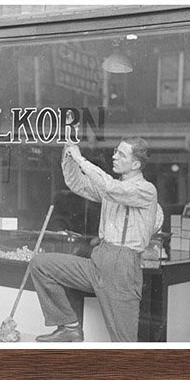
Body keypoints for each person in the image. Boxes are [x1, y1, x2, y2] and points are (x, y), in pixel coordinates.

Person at [30, 137, 162, 343]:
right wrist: (69, 155)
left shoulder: (145, 190)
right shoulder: (113, 186)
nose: (114, 156)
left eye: (121, 154)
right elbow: (77, 184)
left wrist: (81, 160)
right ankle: (70, 326)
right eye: (116, 151)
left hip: (123, 268)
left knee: (124, 344)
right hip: (99, 260)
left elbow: (111, 189)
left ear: (136, 164)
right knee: (41, 265)